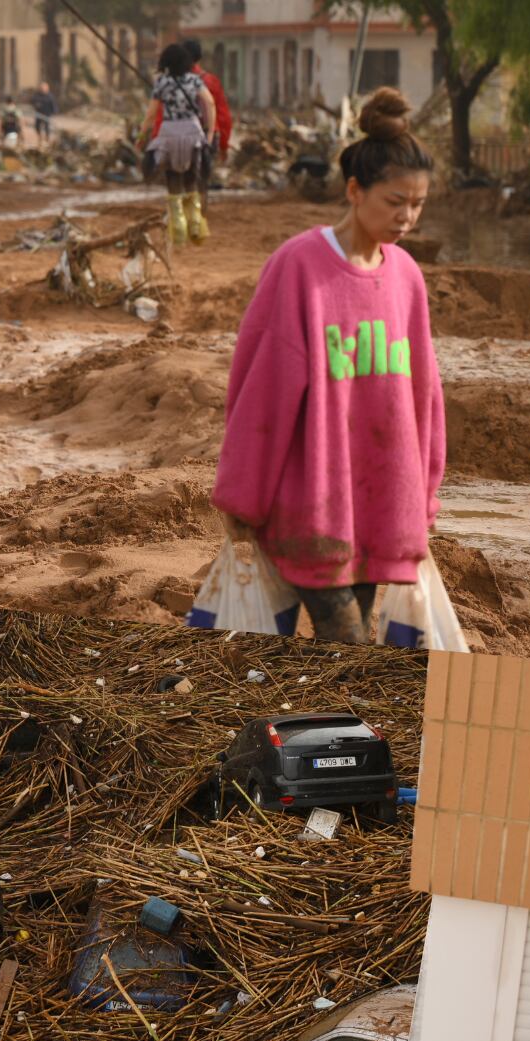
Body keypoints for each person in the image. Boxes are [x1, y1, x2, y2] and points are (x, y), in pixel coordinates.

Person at [210, 87, 443, 643]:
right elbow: (262, 388)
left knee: (357, 630)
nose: (407, 217)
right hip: (312, 507)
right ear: (355, 191)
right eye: (395, 202)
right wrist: (243, 494)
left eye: (418, 204)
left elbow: (423, 397)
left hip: (379, 502)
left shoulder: (407, 276)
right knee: (348, 638)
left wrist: (424, 493)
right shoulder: (299, 268)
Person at [138, 41, 214, 250]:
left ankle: (178, 231)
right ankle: (197, 227)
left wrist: (142, 135)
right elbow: (210, 103)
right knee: (192, 179)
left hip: (169, 133)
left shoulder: (161, 83)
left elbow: (152, 114)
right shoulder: (195, 80)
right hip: (192, 132)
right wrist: (209, 131)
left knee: (173, 181)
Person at [182, 40, 231, 210]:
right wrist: (224, 144)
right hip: (209, 133)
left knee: (185, 175)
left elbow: (162, 114)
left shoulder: (174, 82)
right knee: (203, 175)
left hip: (184, 133)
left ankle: (187, 211)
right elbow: (223, 116)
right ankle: (200, 212)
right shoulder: (211, 81)